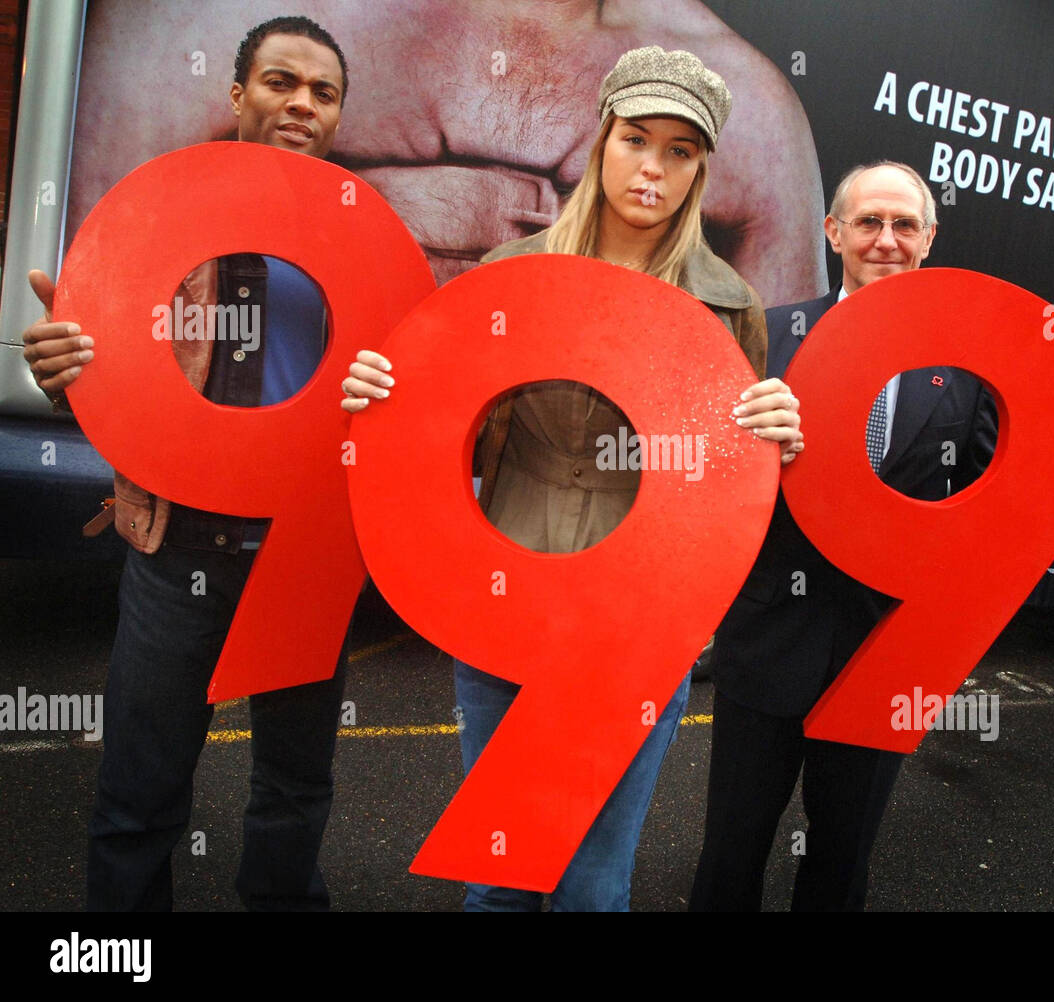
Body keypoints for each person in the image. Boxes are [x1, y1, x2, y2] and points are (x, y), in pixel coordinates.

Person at [342, 45, 803, 911]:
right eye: (637, 139)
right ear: (601, 143)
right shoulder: (509, 277)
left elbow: (723, 481)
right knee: (504, 877)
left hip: (641, 618)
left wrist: (776, 435)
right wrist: (384, 395)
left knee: (592, 885)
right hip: (501, 591)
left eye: (680, 151)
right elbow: (448, 436)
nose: (653, 168)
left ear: (700, 169)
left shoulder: (727, 304)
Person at [689, 160, 1054, 911]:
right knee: (730, 855)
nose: (885, 240)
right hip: (767, 639)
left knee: (842, 859)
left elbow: (1001, 507)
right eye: (868, 223)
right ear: (834, 233)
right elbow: (711, 478)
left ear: (929, 240)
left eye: (904, 225)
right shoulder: (770, 333)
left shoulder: (974, 367)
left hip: (887, 653)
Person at [20, 16, 352, 911]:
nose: (301, 104)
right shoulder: (162, 213)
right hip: (181, 545)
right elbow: (111, 369)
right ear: (238, 93)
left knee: (293, 790)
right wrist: (67, 377)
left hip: (306, 549)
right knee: (139, 793)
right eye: (280, 82)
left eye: (323, 93)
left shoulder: (365, 240)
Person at [67, 0, 826, 307]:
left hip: (553, 511)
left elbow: (760, 403)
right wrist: (319, 234)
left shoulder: (751, 111)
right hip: (266, 494)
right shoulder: (194, 24)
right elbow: (104, 313)